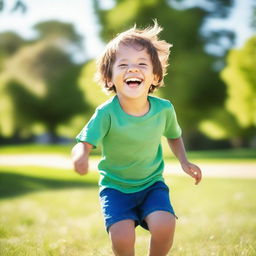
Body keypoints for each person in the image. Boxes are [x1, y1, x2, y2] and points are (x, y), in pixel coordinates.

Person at [71, 21, 202, 256]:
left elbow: (174, 135)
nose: (133, 69)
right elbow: (84, 141)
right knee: (122, 238)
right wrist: (81, 155)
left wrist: (184, 161)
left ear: (154, 77)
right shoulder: (106, 112)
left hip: (152, 185)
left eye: (142, 64)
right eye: (123, 64)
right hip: (115, 189)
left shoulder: (164, 109)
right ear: (109, 78)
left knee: (165, 224)